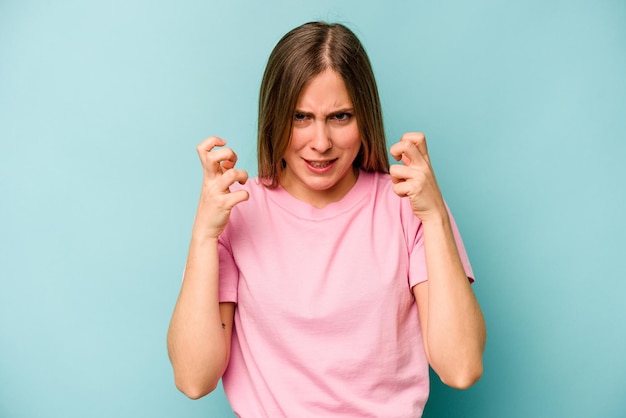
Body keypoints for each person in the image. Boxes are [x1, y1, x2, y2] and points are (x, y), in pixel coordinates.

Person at [167, 21, 486, 417]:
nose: (320, 142)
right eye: (300, 117)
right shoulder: (237, 213)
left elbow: (461, 367)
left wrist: (436, 216)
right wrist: (203, 236)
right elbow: (194, 379)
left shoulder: (409, 206)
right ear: (274, 117)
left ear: (364, 117)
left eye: (340, 116)